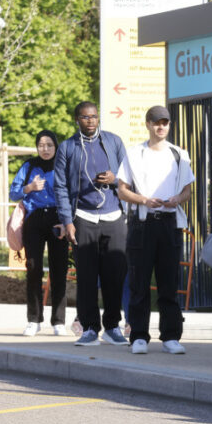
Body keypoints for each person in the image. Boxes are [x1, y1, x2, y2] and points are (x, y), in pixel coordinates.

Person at [117, 105, 195, 355]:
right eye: (157, 122)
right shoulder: (134, 153)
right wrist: (143, 200)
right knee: (139, 282)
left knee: (169, 281)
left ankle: (171, 336)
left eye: (165, 122)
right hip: (142, 221)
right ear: (148, 124)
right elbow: (122, 189)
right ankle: (139, 335)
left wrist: (176, 199)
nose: (161, 126)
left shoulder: (178, 154)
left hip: (169, 222)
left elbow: (187, 190)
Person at [53, 101, 130, 347]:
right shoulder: (67, 147)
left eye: (94, 117)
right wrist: (67, 220)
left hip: (113, 217)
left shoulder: (114, 141)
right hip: (83, 218)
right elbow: (61, 187)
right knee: (86, 277)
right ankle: (89, 328)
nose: (90, 121)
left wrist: (115, 179)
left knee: (114, 276)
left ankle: (111, 327)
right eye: (85, 117)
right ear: (77, 119)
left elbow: (130, 176)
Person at [9, 131, 70, 337]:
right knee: (33, 268)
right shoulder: (29, 166)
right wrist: (30, 187)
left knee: (59, 269)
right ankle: (33, 320)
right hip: (34, 219)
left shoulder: (63, 165)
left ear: (56, 146)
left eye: (49, 145)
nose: (45, 149)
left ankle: (59, 321)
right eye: (41, 145)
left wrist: (66, 221)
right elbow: (13, 192)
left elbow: (71, 194)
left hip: (58, 219)